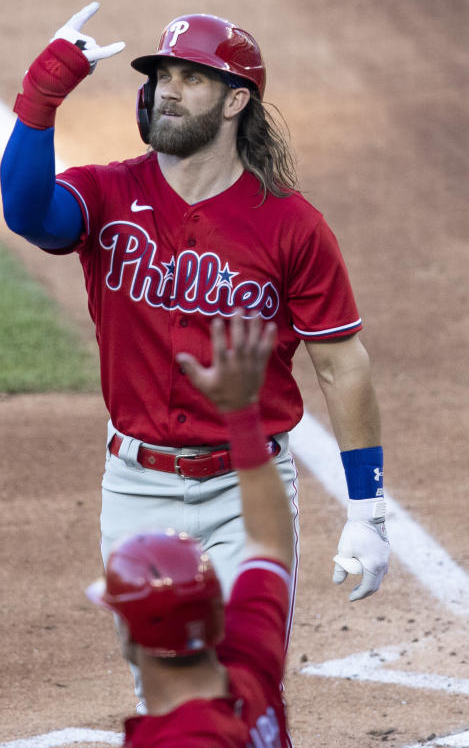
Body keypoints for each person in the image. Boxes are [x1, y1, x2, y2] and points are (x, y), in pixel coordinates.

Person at [0, 2, 389, 608]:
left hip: (249, 487)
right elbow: (28, 214)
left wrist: (368, 510)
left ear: (236, 101)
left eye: (192, 77)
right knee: (163, 690)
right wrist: (42, 93)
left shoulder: (293, 226)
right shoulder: (105, 192)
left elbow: (342, 364)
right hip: (136, 490)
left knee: (243, 682)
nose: (167, 92)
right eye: (161, 78)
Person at [85, 316, 294, 746]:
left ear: (131, 633)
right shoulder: (252, 665)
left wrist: (239, 414)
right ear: (218, 613)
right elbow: (270, 543)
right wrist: (242, 415)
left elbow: (270, 547)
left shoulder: (174, 740)